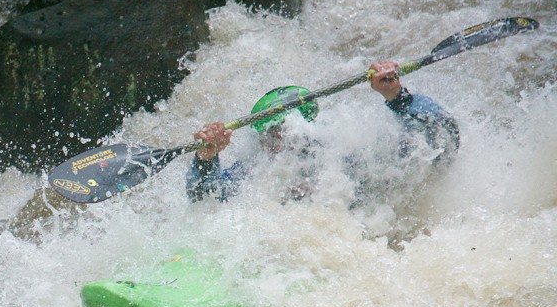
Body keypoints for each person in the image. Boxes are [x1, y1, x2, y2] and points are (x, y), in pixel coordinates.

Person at [186, 61, 459, 202]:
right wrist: (206, 159)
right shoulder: (257, 171)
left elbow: (441, 143)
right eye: (270, 133)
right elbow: (207, 200)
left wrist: (396, 96)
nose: (278, 141)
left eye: (286, 131)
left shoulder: (344, 159)